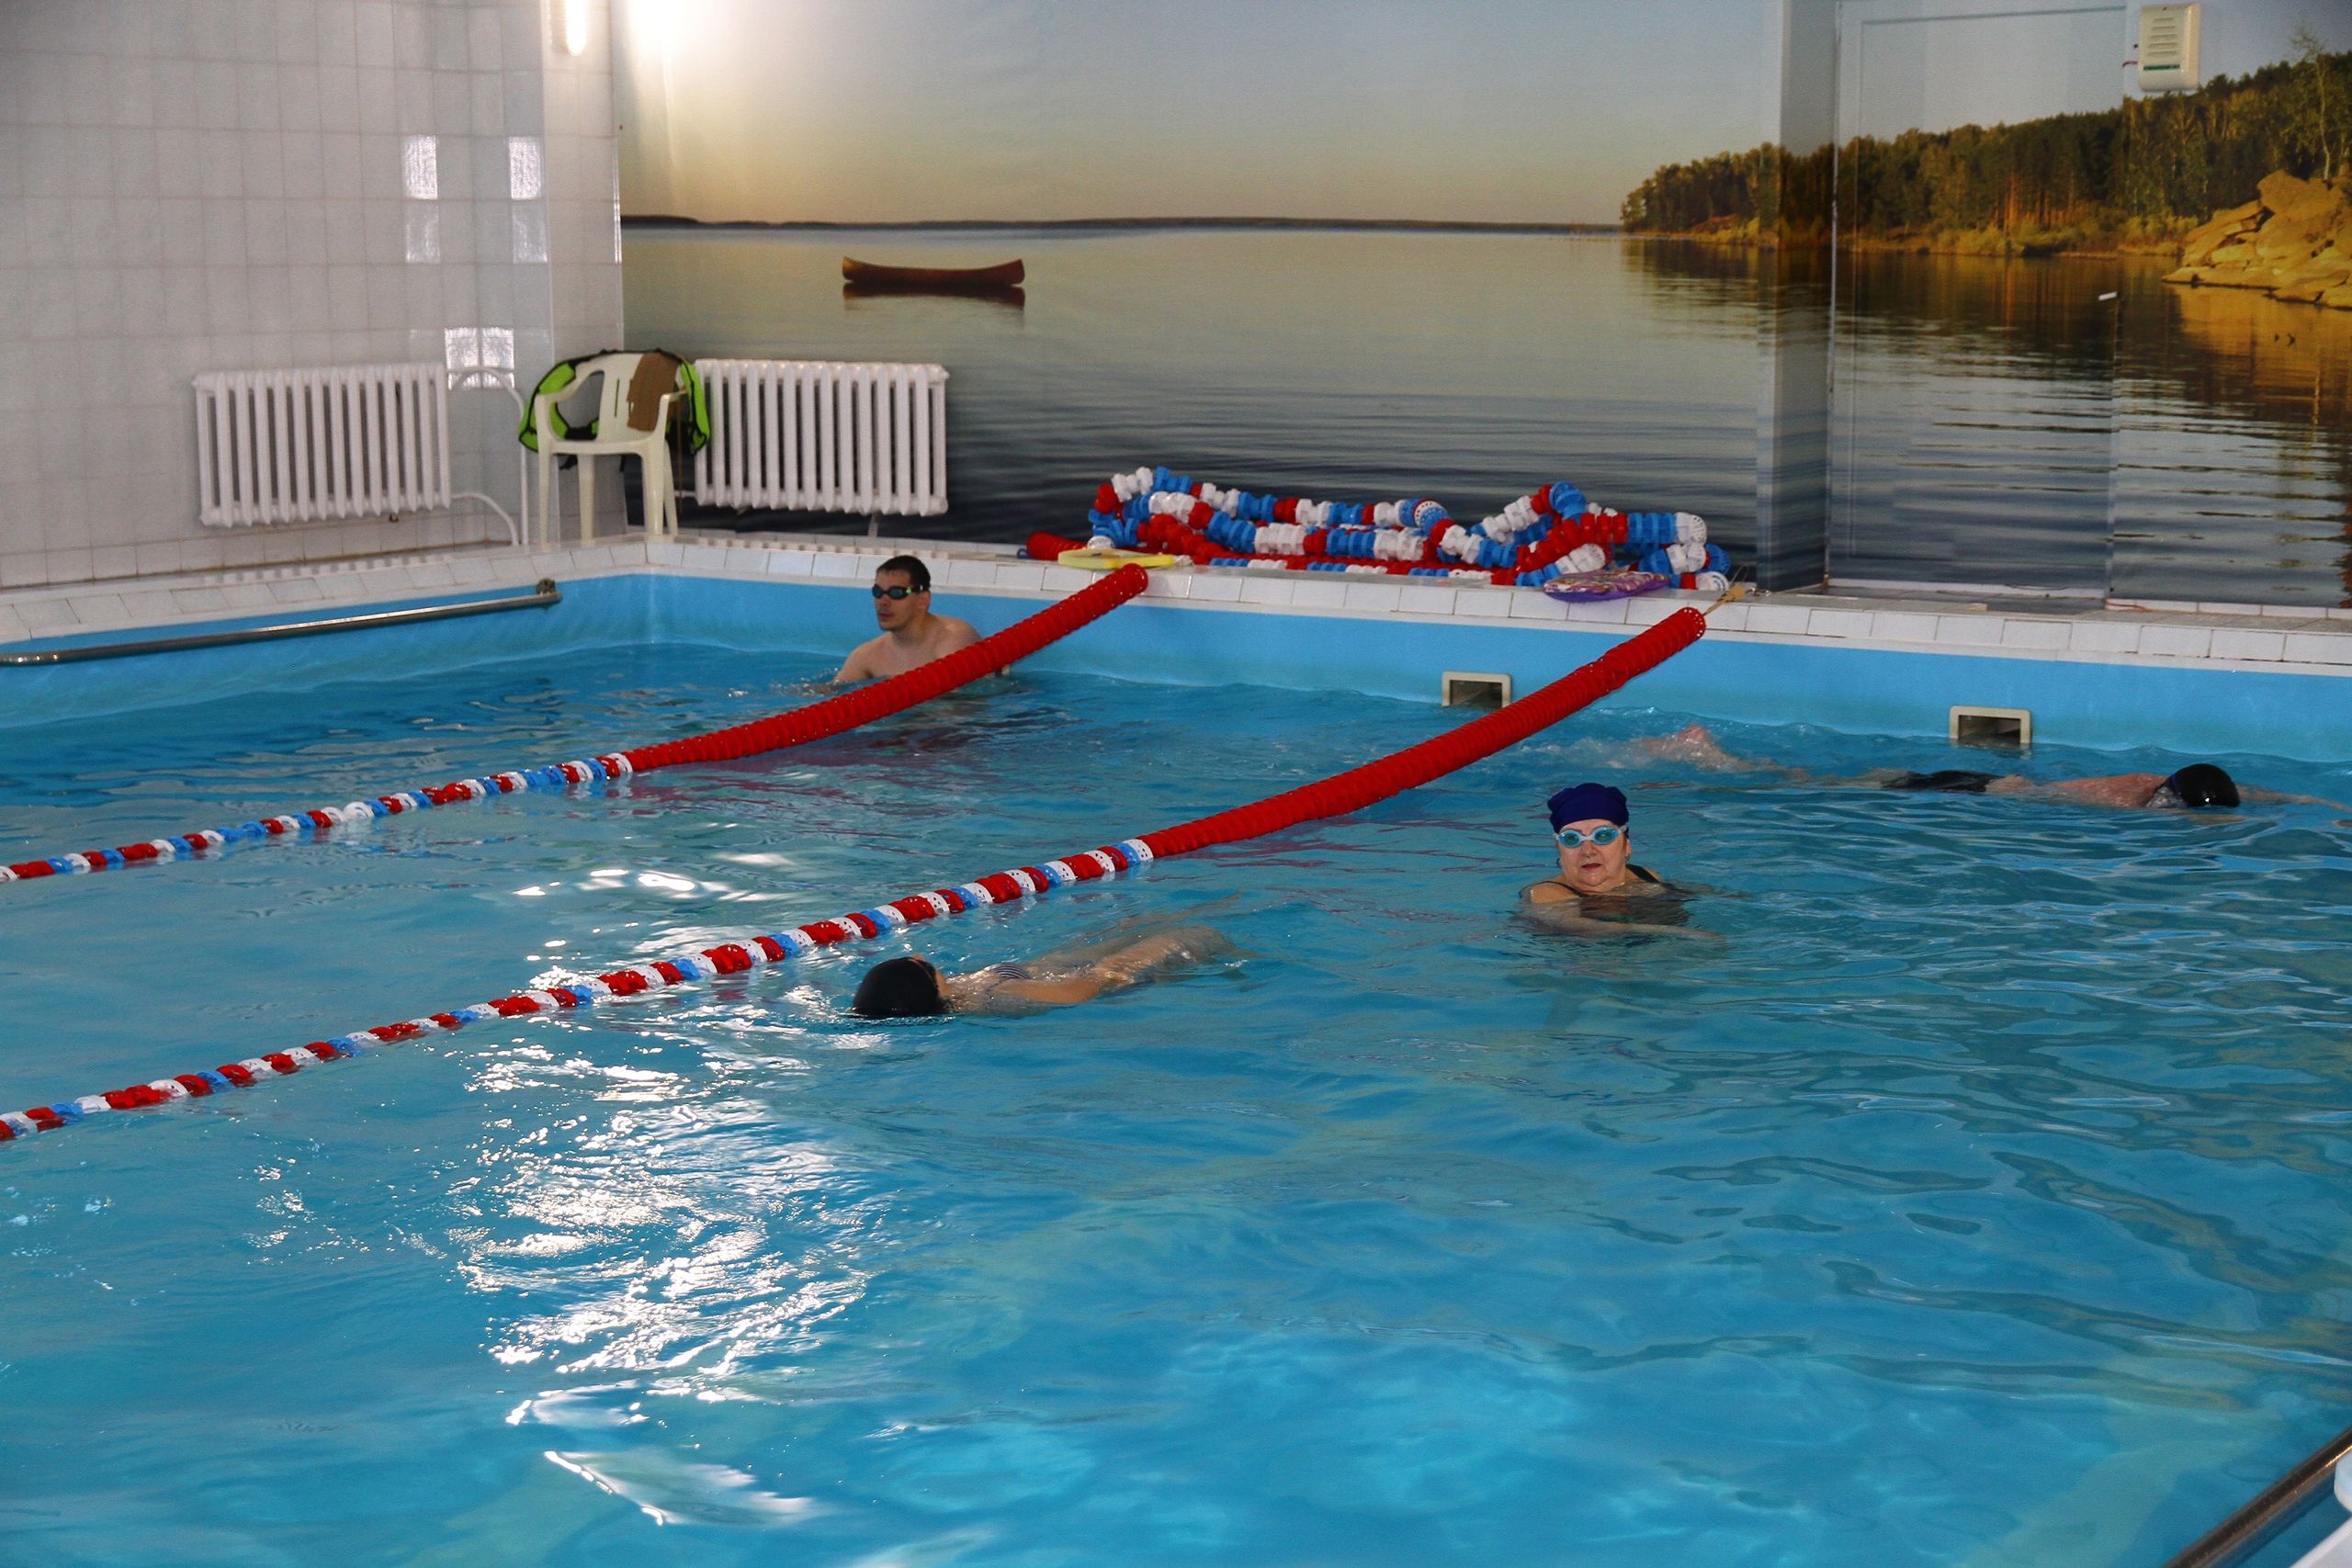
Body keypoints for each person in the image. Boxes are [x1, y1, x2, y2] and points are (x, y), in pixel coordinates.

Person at [1638, 724, 2340, 812]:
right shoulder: (2127, 801)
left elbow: (2261, 791)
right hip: (1969, 789)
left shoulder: (2185, 785)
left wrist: (2324, 806)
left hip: (1987, 788)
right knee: (1812, 785)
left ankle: (1717, 756)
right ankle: (1708, 756)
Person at [850, 923, 1233, 1018]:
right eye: (919, 964)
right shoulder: (997, 996)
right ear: (930, 986)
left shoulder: (958, 992)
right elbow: (1085, 990)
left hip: (1059, 964)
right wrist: (1122, 967)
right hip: (1110, 977)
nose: (920, 954)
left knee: (1146, 922)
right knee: (1196, 935)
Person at [1521, 782, 1694, 934]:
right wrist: (1680, 933)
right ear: (1559, 849)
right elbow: (1576, 925)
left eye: (1603, 836)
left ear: (1627, 845)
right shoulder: (1546, 894)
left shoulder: (1645, 876)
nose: (1588, 851)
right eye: (1572, 839)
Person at [832, 556, 981, 683]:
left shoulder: (954, 638)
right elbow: (830, 694)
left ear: (923, 600)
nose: (883, 602)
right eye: (878, 592)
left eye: (896, 593)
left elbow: (955, 704)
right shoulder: (867, 656)